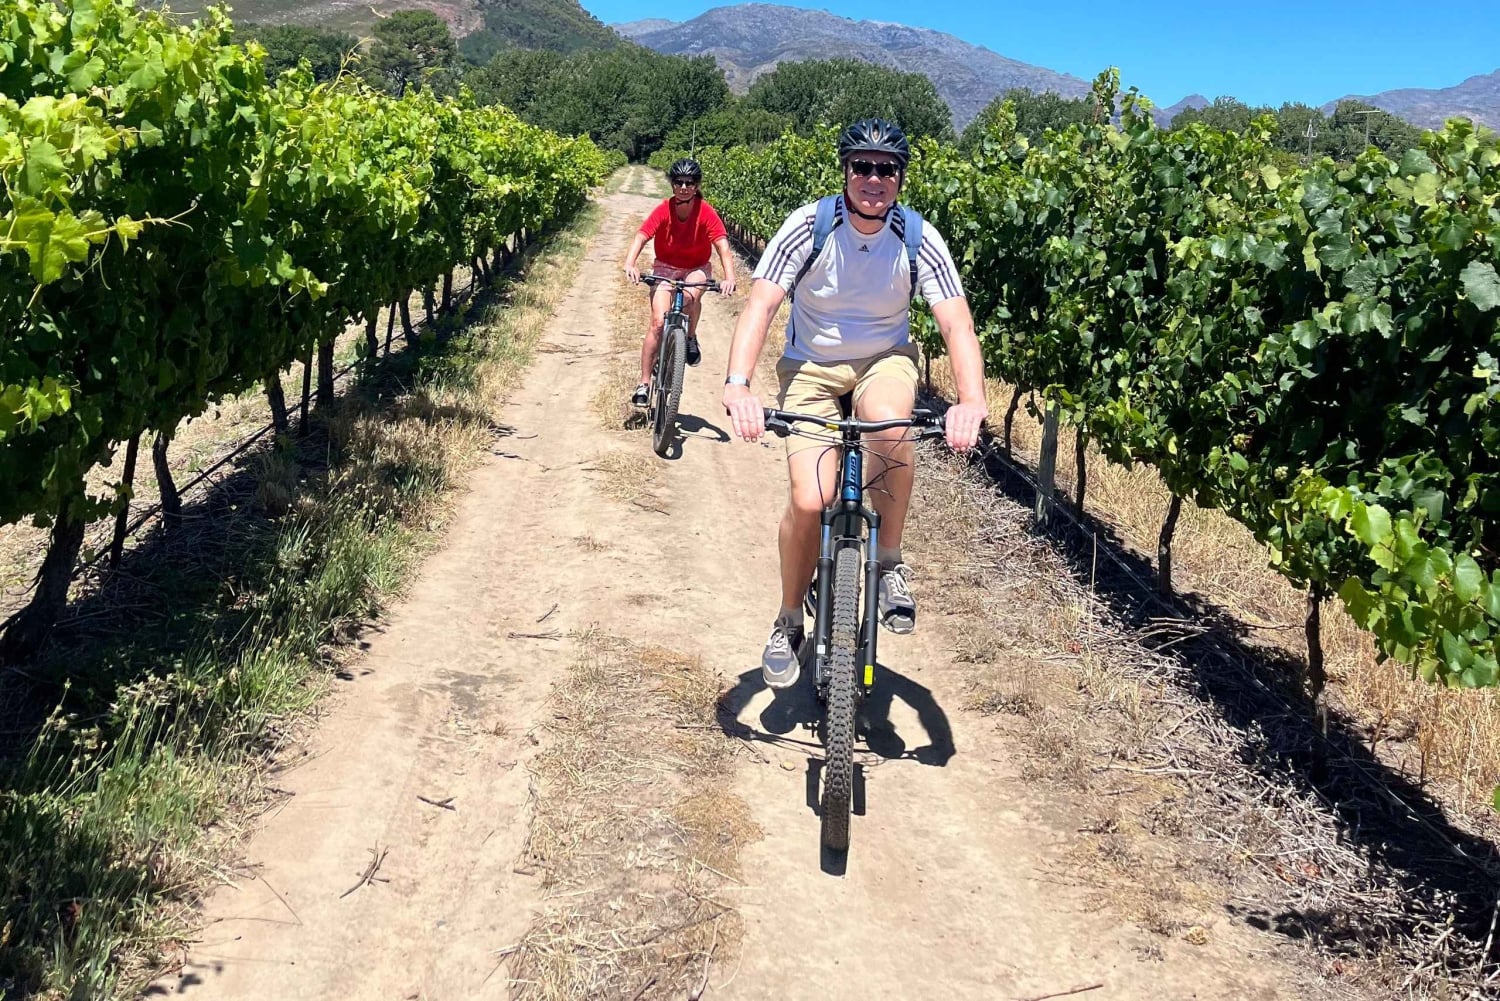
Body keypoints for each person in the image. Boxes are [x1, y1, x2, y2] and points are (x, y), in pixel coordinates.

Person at [720, 118, 989, 689]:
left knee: (891, 432)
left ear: (900, 179)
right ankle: (789, 619)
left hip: (883, 359)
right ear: (845, 171)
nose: (873, 178)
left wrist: (971, 401)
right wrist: (738, 384)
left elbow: (956, 325)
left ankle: (888, 561)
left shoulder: (918, 238)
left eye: (885, 169)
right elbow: (761, 305)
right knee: (810, 498)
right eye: (862, 166)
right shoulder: (809, 227)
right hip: (811, 367)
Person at [622, 157, 737, 407]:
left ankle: (690, 337)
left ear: (696, 186)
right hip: (665, 267)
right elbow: (642, 236)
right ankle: (644, 383)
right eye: (679, 182)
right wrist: (630, 263)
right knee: (657, 322)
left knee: (690, 295)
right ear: (672, 184)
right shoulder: (664, 209)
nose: (684, 187)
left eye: (690, 182)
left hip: (696, 267)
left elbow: (722, 246)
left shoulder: (705, 211)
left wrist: (729, 277)